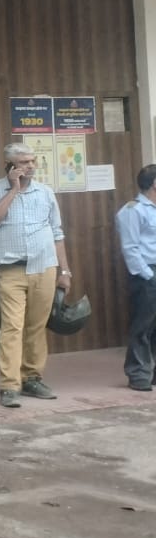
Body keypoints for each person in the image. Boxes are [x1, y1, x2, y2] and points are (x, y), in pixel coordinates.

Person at [0, 142, 71, 408]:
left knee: (36, 326)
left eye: (33, 161)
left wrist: (65, 270)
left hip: (44, 267)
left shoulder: (45, 192)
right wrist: (13, 190)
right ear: (10, 165)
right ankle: (9, 385)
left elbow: (57, 233)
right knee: (12, 327)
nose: (30, 166)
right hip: (11, 269)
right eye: (24, 162)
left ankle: (32, 378)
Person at [114, 164, 156, 392]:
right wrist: (149, 275)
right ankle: (138, 374)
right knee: (143, 326)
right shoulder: (133, 210)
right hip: (146, 273)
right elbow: (130, 248)